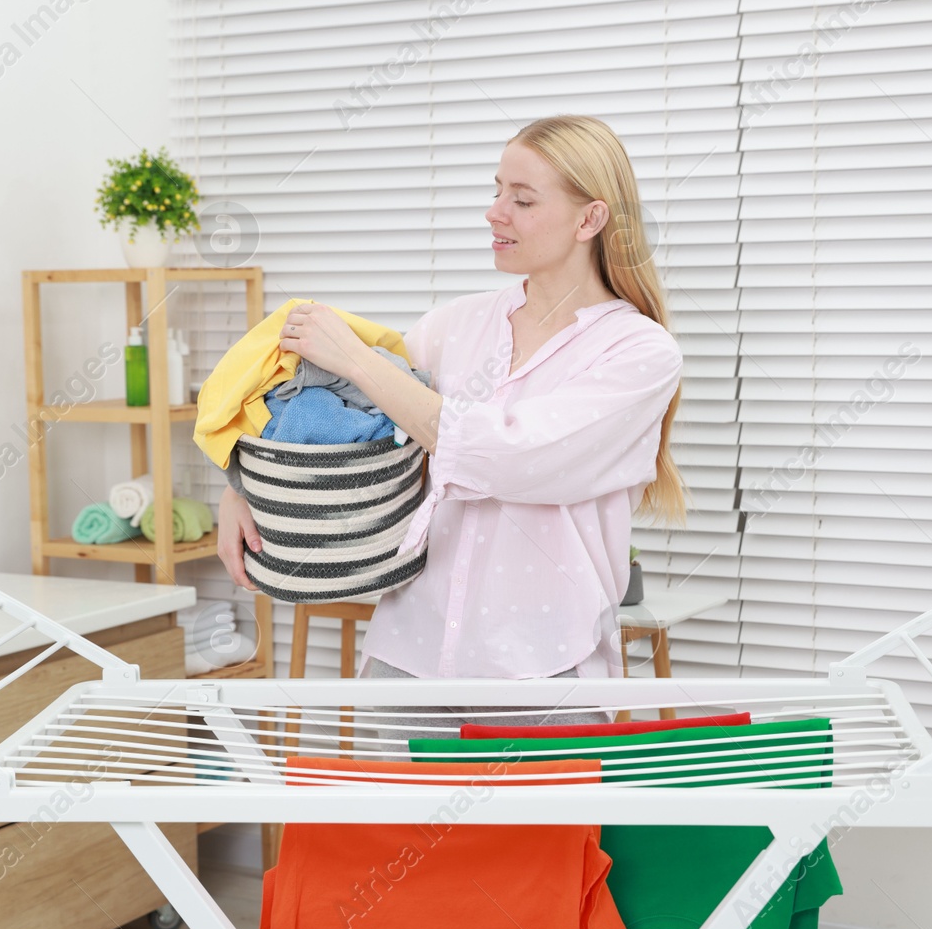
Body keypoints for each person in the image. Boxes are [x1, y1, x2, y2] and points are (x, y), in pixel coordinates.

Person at [217, 114, 687, 731]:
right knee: (390, 829)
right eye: (496, 191)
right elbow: (359, 425)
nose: (495, 212)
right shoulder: (454, 326)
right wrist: (238, 481)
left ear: (589, 219)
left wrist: (357, 358)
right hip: (409, 649)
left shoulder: (638, 353)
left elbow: (512, 459)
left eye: (521, 199)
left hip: (541, 667)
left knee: (536, 833)